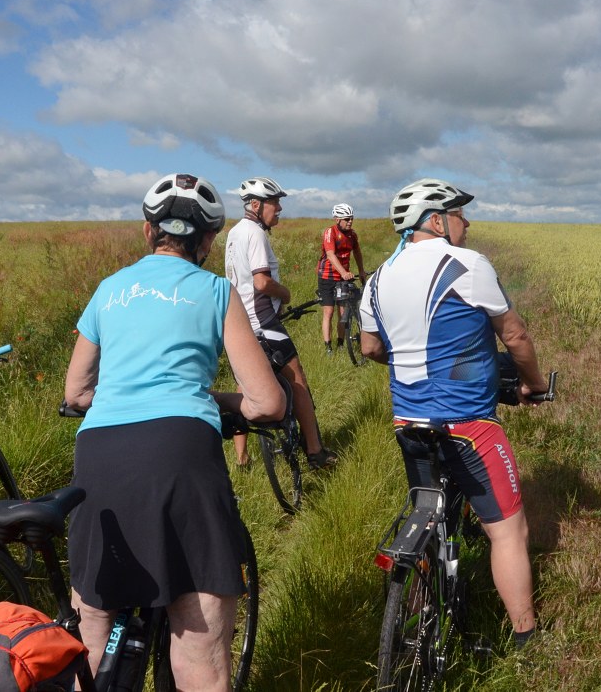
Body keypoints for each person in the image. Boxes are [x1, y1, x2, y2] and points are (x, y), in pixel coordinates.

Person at [64, 174, 284, 691]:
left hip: (99, 453)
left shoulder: (109, 289)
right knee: (198, 641)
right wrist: (212, 399)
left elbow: (76, 393)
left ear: (148, 231)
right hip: (180, 451)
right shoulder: (214, 290)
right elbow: (267, 403)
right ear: (207, 241)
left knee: (93, 634)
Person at [359, 178, 549, 649]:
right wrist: (534, 383)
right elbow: (516, 337)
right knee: (508, 532)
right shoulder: (465, 264)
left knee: (428, 515)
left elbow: (370, 347)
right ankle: (526, 637)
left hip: (408, 421)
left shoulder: (377, 278)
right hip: (468, 424)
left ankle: (420, 623)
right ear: (436, 220)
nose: (468, 222)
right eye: (460, 214)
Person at [224, 176, 337, 470]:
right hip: (263, 319)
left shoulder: (235, 233)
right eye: (275, 202)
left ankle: (241, 458)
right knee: (296, 377)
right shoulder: (256, 234)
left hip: (239, 322)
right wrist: (284, 293)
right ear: (256, 205)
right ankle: (315, 452)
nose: (280, 208)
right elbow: (262, 282)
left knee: (244, 384)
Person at [316, 203, 366, 354]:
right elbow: (330, 255)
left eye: (351, 218)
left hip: (343, 278)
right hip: (327, 277)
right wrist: (343, 272)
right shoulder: (330, 232)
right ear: (337, 219)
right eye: (346, 219)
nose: (350, 222)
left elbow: (357, 253)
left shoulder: (352, 234)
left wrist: (361, 271)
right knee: (328, 312)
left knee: (343, 311)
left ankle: (341, 344)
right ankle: (328, 347)